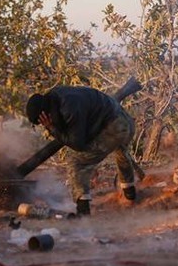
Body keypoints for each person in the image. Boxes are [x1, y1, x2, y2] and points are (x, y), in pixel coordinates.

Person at [25, 85, 137, 216]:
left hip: (114, 127)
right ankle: (129, 191)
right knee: (120, 149)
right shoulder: (56, 96)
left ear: (44, 115)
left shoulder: (69, 109)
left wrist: (51, 128)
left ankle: (83, 210)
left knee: (76, 161)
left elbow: (77, 144)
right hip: (124, 121)